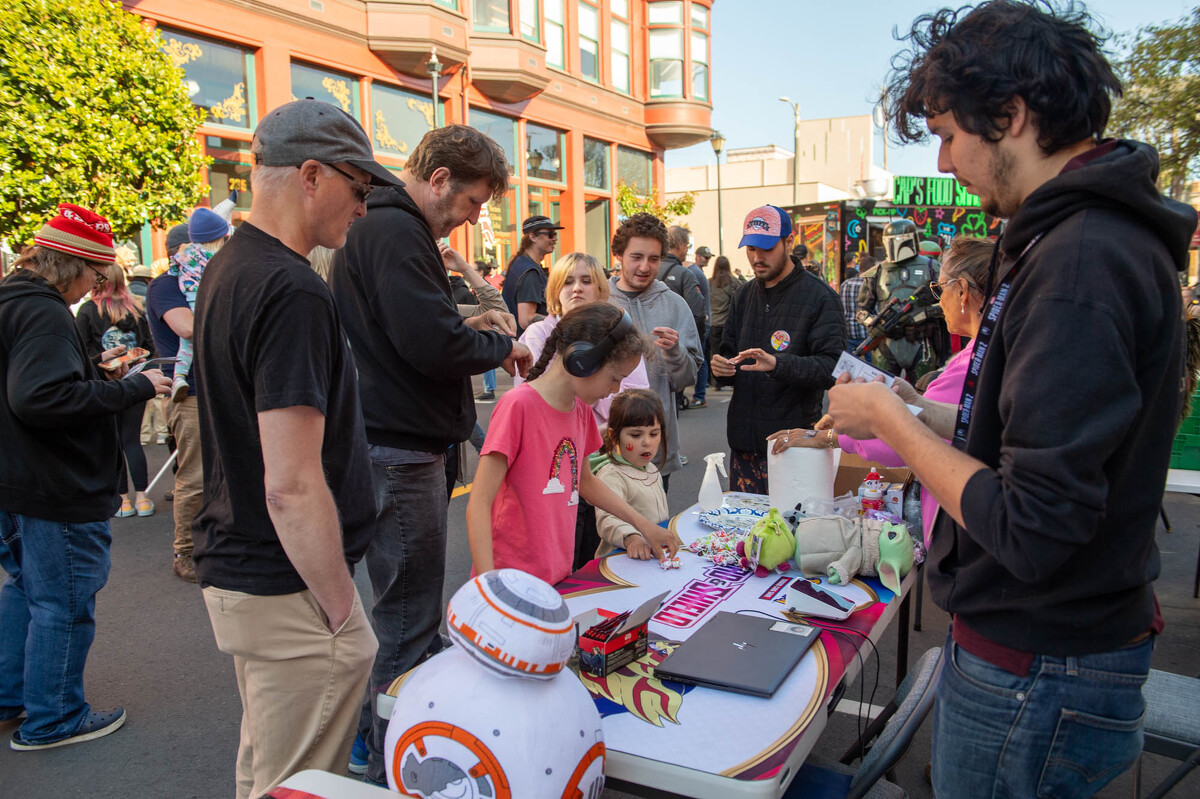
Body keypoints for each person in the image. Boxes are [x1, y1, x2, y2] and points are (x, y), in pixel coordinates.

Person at [825, 4, 1198, 796]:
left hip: (1039, 665)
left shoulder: (1081, 260)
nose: (945, 157)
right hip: (1043, 655)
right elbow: (1017, 439)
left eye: (949, 133)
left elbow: (1032, 523)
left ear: (1011, 115)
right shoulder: (1066, 243)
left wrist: (893, 422)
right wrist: (915, 406)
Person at [191, 99, 395, 799]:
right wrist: (342, 611)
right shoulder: (290, 288)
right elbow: (292, 482)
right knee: (300, 786)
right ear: (310, 176)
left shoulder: (230, 267)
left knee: (266, 771)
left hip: (250, 569)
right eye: (359, 188)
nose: (363, 209)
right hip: (287, 582)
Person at [327, 123, 530, 785]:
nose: (472, 218)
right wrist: (503, 346)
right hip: (400, 448)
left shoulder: (387, 229)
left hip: (395, 440)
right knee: (409, 624)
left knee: (400, 614)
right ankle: (391, 760)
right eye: (471, 202)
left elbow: (410, 331)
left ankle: (370, 744)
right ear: (439, 179)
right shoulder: (394, 230)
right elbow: (427, 344)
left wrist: (463, 324)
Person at [0, 204, 170, 751]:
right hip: (55, 482)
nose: (92, 289)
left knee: (28, 590)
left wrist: (92, 373)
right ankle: (53, 718)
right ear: (70, 264)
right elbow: (40, 397)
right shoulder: (44, 311)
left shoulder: (11, 302)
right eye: (95, 276)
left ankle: (12, 695)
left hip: (17, 476)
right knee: (63, 601)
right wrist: (134, 388)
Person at [769, 236, 993, 545]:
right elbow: (943, 418)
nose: (939, 300)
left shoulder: (979, 360)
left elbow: (903, 438)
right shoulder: (985, 352)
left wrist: (832, 437)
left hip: (961, 518)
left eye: (940, 289)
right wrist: (908, 404)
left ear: (964, 292)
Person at [466, 303, 678, 585]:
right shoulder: (518, 406)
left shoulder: (580, 410)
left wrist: (644, 526)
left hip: (556, 574)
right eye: (615, 378)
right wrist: (487, 585)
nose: (615, 390)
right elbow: (479, 503)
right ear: (583, 360)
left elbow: (585, 481)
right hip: (509, 579)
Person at [514, 251, 651, 569]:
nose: (576, 289)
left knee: (596, 559)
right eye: (568, 282)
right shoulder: (536, 338)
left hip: (606, 467)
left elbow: (634, 400)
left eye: (586, 281)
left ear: (601, 289)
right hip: (554, 474)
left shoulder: (621, 334)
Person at [710, 205, 844, 494]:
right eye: (751, 248)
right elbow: (729, 355)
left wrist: (778, 364)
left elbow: (833, 369)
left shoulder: (821, 298)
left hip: (794, 446)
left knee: (794, 536)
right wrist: (721, 369)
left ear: (788, 242)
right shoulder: (743, 295)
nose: (757, 257)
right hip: (744, 445)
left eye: (767, 248)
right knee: (747, 535)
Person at [606, 213, 702, 491]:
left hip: (654, 450)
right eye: (636, 257)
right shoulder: (600, 303)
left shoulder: (675, 305)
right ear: (619, 255)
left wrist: (675, 353)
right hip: (603, 449)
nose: (645, 266)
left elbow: (687, 379)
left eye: (654, 259)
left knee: (654, 529)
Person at [74, 261, 158, 518]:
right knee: (132, 440)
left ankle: (122, 499)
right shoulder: (135, 310)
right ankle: (142, 498)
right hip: (134, 380)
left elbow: (79, 350)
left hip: (102, 383)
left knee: (113, 441)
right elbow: (148, 347)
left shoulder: (88, 310)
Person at [856, 217, 944, 381]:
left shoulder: (931, 267)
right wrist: (873, 322)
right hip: (887, 341)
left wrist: (922, 315)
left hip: (921, 341)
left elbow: (948, 304)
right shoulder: (878, 271)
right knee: (881, 393)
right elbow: (861, 311)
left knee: (924, 396)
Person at [592, 389, 670, 559]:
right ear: (613, 436)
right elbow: (607, 519)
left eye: (654, 434)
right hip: (622, 560)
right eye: (635, 435)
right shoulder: (612, 475)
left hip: (651, 556)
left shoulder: (651, 468)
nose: (647, 442)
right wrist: (631, 538)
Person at [168, 206, 230, 402]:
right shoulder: (214, 257)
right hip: (206, 298)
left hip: (190, 296)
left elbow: (173, 270)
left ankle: (179, 377)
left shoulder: (184, 253)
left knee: (186, 345)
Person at [659, 226, 707, 412]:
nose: (687, 250)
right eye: (687, 245)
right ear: (679, 245)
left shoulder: (647, 273)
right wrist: (696, 343)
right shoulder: (685, 274)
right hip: (675, 349)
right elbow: (697, 313)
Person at [502, 215, 560, 337]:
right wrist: (561, 322)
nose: (555, 238)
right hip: (526, 344)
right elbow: (526, 319)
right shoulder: (529, 272)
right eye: (550, 234)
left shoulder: (521, 263)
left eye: (555, 234)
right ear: (532, 236)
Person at [840, 255, 871, 352]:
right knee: (869, 366)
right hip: (866, 335)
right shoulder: (870, 286)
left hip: (848, 332)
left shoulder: (845, 284)